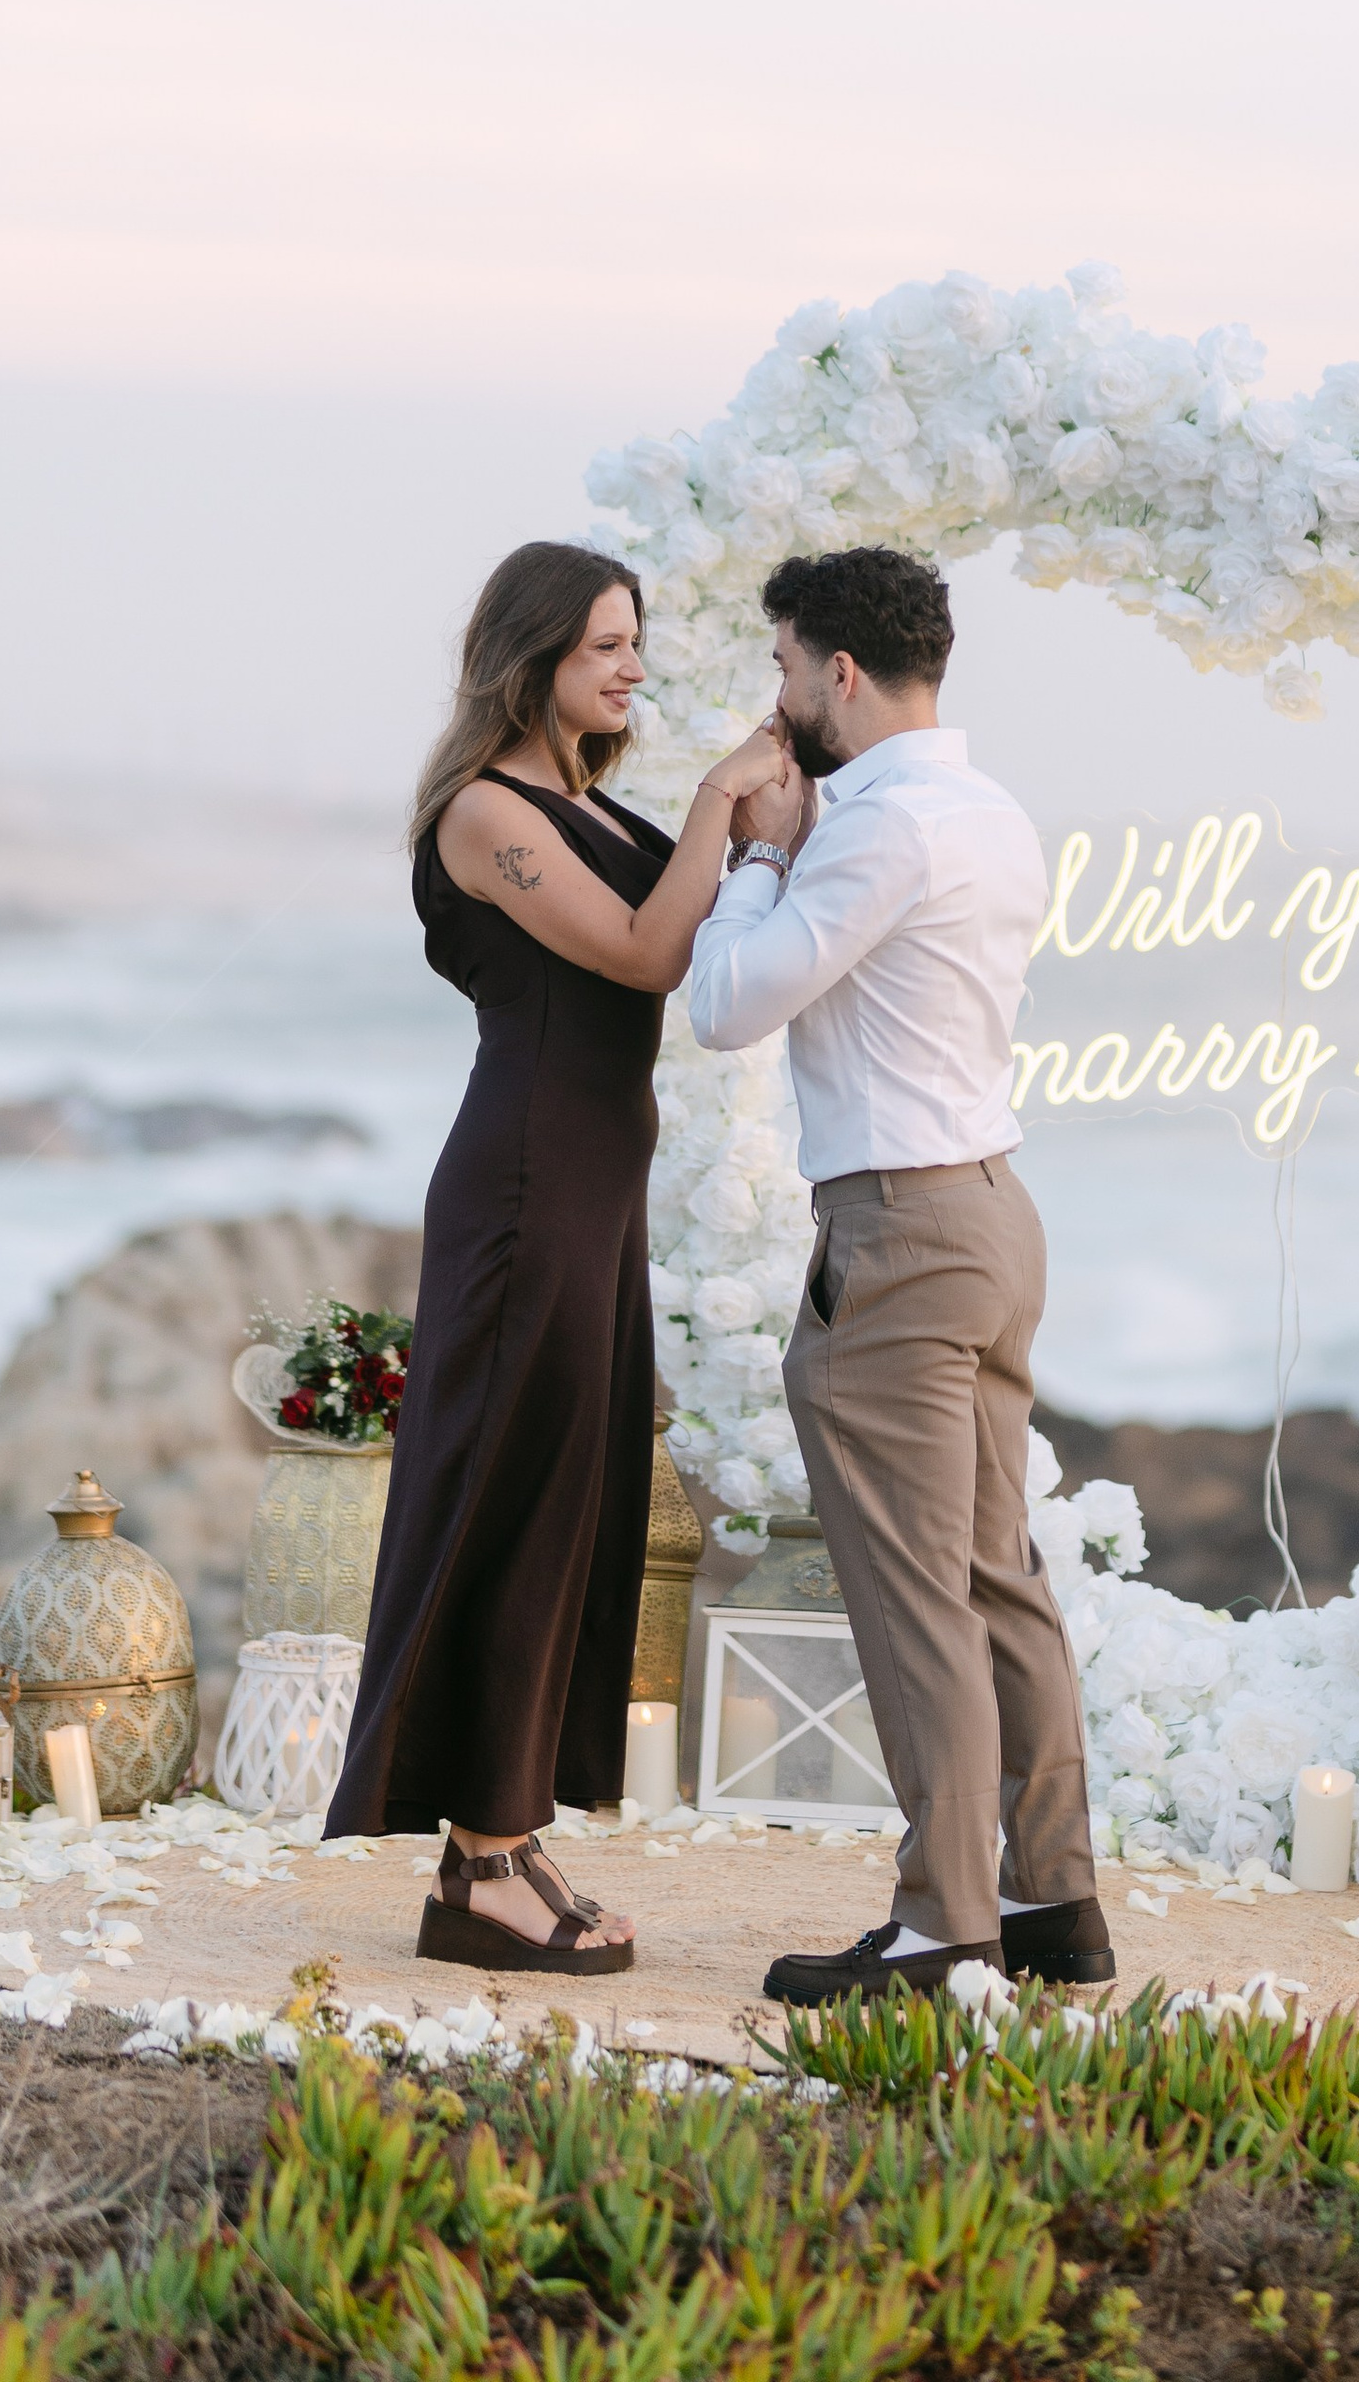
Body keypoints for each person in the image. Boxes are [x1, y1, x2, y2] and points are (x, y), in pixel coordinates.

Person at [325, 539, 792, 1972]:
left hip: (593, 1192)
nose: (633, 666)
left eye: (635, 642)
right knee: (511, 1497)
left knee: (568, 1501)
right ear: (531, 656)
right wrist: (723, 792)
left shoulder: (586, 805)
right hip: (528, 1188)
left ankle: (507, 1839)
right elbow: (654, 953)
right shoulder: (483, 817)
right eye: (606, 645)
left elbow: (718, 910)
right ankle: (479, 1870)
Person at [687, 542, 1113, 2003]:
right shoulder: (987, 812)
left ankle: (943, 1929)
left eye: (790, 667)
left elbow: (729, 1005)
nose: (782, 694)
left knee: (917, 1592)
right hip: (994, 1216)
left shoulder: (878, 829)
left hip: (902, 1234)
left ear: (841, 674)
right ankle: (1055, 1903)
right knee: (1000, 1576)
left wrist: (753, 852)